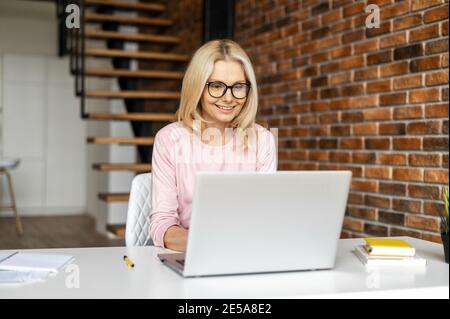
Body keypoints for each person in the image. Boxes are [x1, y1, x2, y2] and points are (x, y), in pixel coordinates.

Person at [149, 39, 277, 252]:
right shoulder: (169, 140)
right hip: (192, 253)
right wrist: (211, 245)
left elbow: (266, 216)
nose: (229, 98)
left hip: (247, 252)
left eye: (238, 86)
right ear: (197, 87)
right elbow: (162, 225)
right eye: (216, 86)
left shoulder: (262, 139)